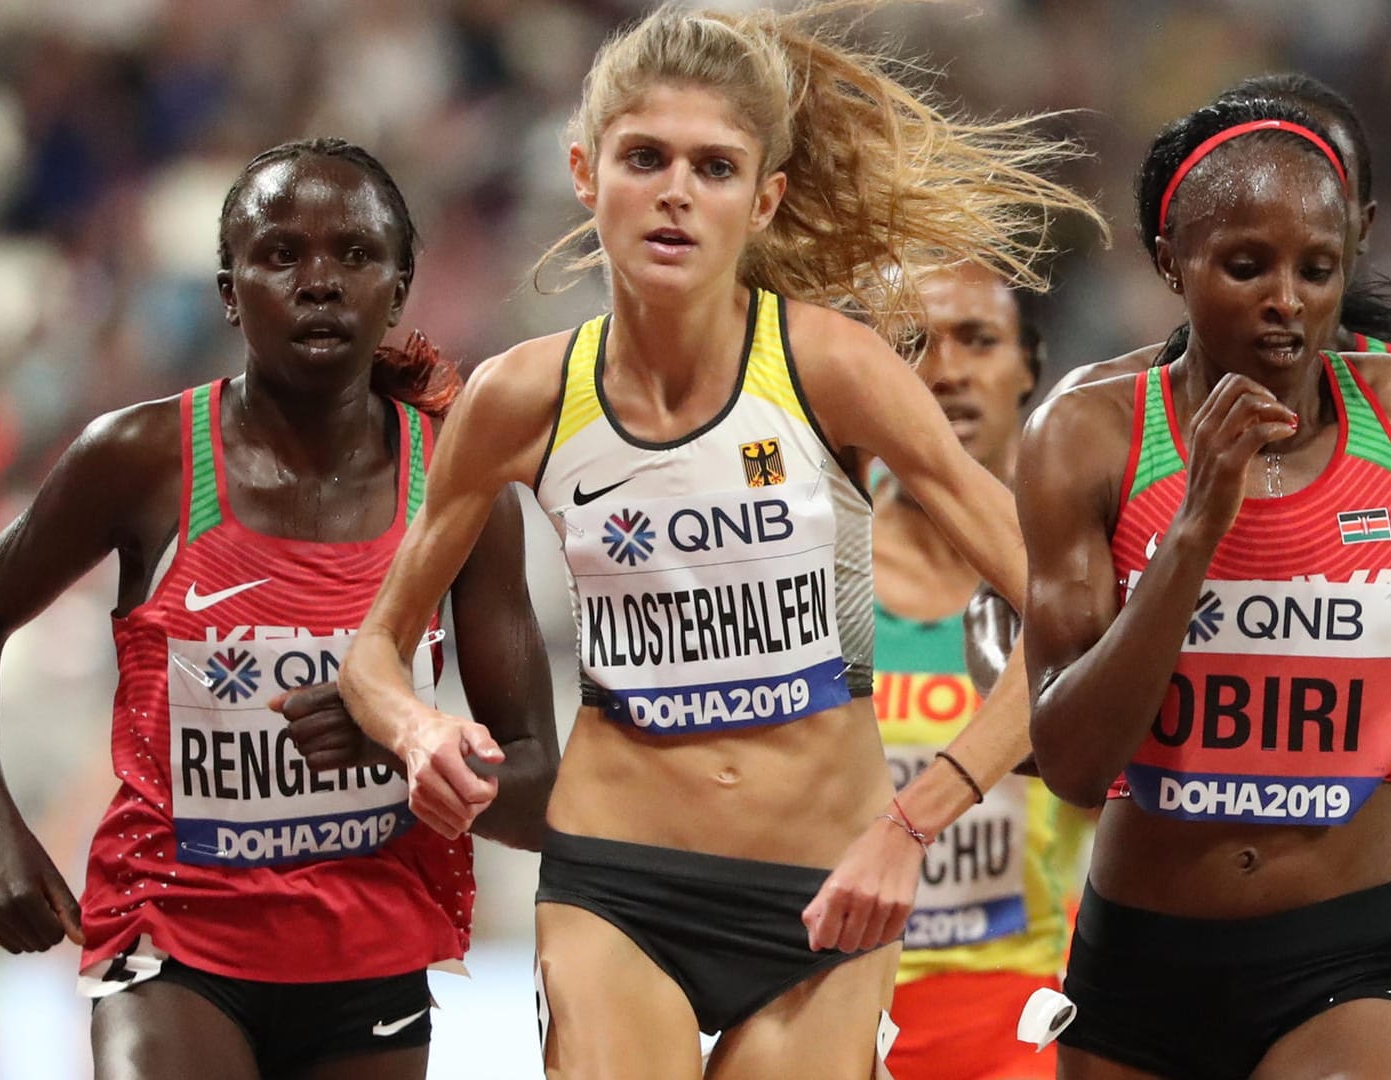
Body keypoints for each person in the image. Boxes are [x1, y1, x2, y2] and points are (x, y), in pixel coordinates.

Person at [340, 6, 1102, 1077]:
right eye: (644, 158)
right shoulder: (521, 395)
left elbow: (1066, 618)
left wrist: (916, 822)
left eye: (716, 166)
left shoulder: (831, 367)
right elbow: (375, 652)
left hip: (826, 894)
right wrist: (419, 732)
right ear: (582, 168)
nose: (676, 193)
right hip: (617, 881)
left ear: (764, 197)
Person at [0, 138, 558, 1080]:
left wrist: (413, 741)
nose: (318, 283)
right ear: (228, 288)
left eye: (353, 254)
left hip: (370, 951)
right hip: (172, 934)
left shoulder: (460, 492)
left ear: (400, 284)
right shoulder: (142, 459)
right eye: (278, 254)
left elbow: (539, 786)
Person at [1020, 96, 1391, 1079]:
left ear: (1351, 255)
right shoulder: (1088, 434)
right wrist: (1195, 529)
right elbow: (1072, 765)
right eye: (1247, 267)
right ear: (1171, 262)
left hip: (1358, 949)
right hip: (1143, 955)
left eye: (1316, 269)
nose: (1285, 299)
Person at [872, 265, 1086, 1080]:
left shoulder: (1085, 573)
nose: (946, 370)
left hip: (1031, 1019)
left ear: (1029, 367)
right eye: (914, 344)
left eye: (978, 340)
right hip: (840, 1004)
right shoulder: (813, 566)